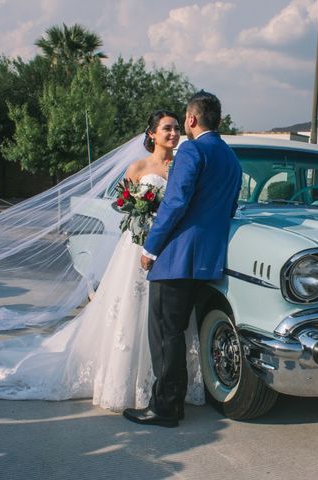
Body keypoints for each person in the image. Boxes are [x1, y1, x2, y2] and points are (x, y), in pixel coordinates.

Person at [0, 111, 205, 412]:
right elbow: (121, 203)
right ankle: (127, 382)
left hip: (169, 248)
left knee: (167, 318)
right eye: (167, 128)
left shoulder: (182, 166)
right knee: (131, 308)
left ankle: (166, 382)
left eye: (177, 128)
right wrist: (140, 208)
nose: (174, 133)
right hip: (137, 246)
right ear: (152, 134)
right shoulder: (138, 166)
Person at [123, 91, 242, 428]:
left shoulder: (192, 149)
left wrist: (150, 249)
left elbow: (175, 203)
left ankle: (165, 407)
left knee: (165, 332)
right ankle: (173, 400)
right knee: (178, 330)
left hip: (176, 256)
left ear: (191, 120)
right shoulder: (231, 158)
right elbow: (230, 208)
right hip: (209, 258)